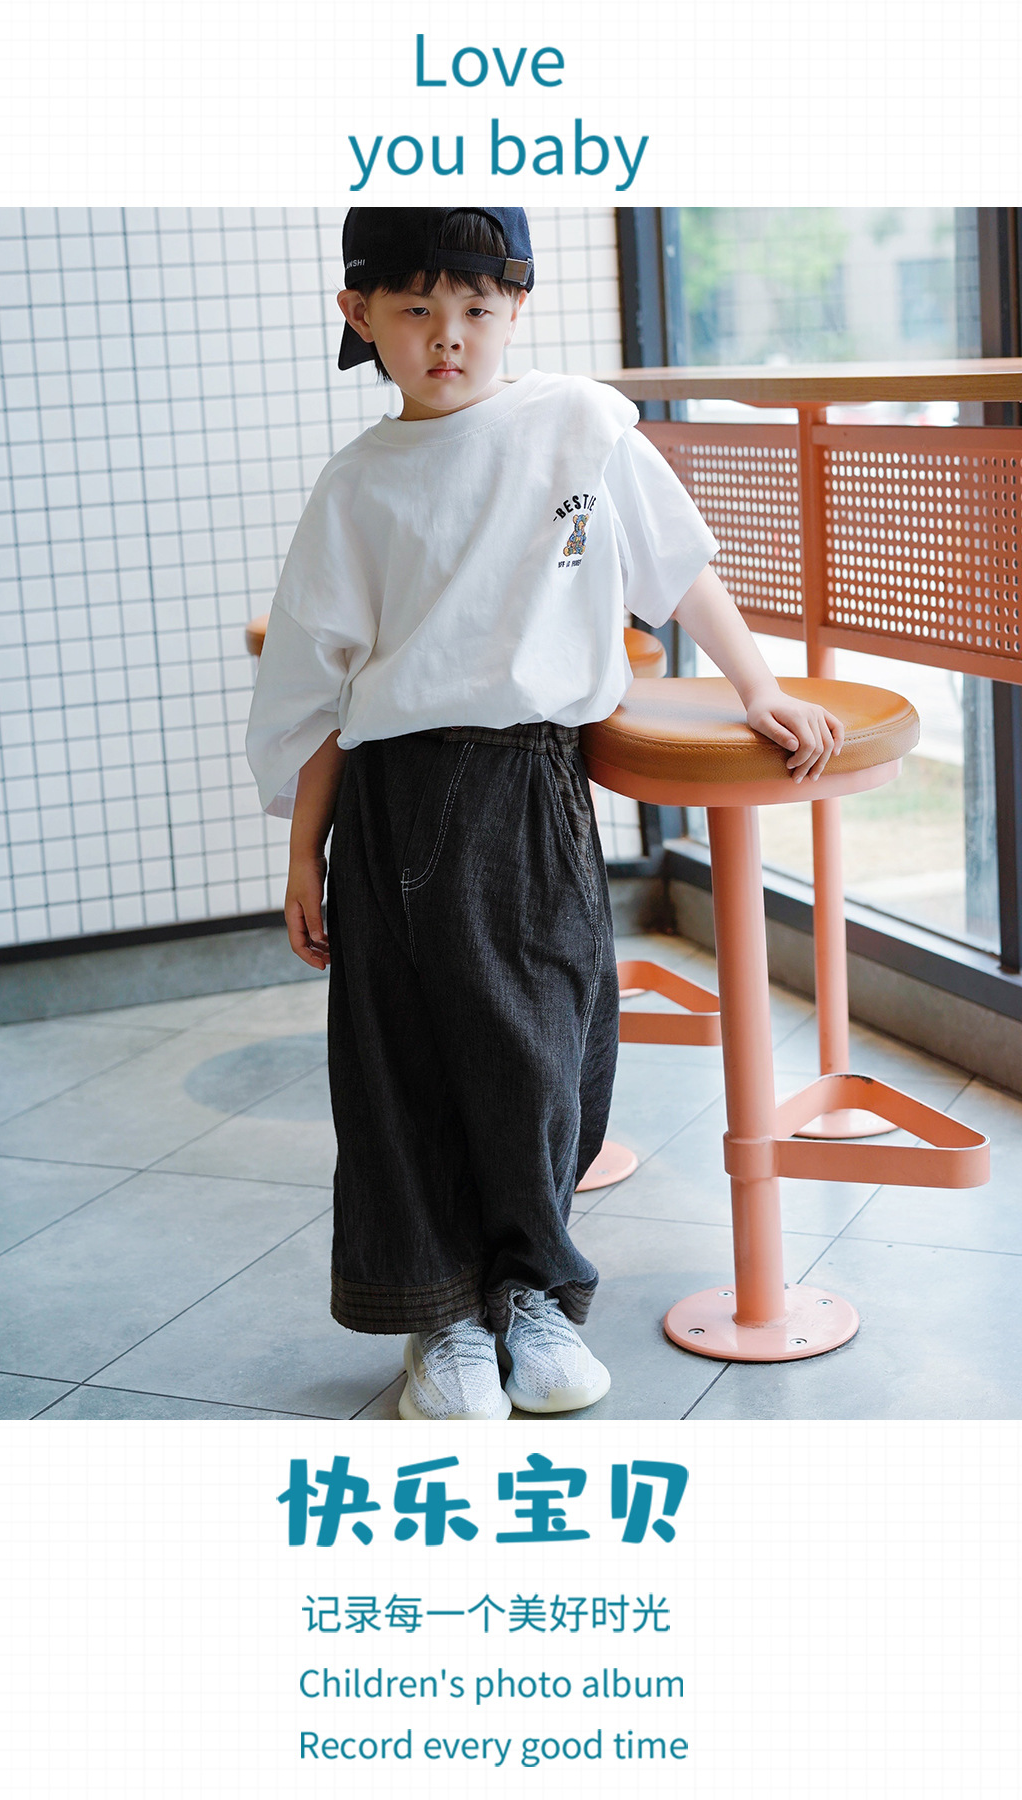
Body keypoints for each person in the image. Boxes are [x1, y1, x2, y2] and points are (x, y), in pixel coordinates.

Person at [246, 206, 842, 1422]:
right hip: (392, 804)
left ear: (517, 306)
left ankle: (533, 1294)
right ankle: (441, 1323)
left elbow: (678, 566)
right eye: (415, 308)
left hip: (530, 788)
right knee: (400, 1067)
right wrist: (305, 853)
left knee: (543, 1054)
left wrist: (760, 686)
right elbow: (319, 691)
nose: (448, 336)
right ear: (359, 314)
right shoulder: (355, 484)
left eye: (476, 307)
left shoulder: (580, 422)